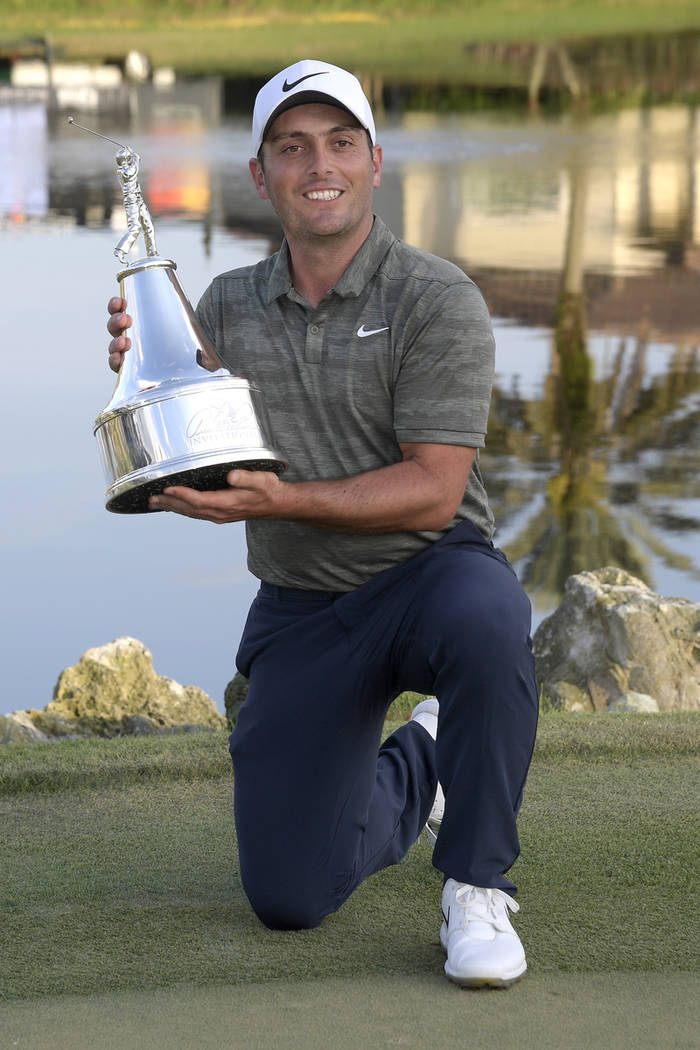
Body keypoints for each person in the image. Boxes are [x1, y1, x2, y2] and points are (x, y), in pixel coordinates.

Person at [107, 59, 539, 989]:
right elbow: (206, 447)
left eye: (341, 142)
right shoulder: (222, 304)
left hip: (430, 574)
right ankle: (421, 760)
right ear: (260, 176)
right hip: (303, 602)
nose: (320, 165)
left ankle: (475, 885)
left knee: (492, 613)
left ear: (376, 161)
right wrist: (146, 363)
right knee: (290, 898)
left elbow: (433, 489)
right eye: (293, 148)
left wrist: (283, 499)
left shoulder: (437, 297)